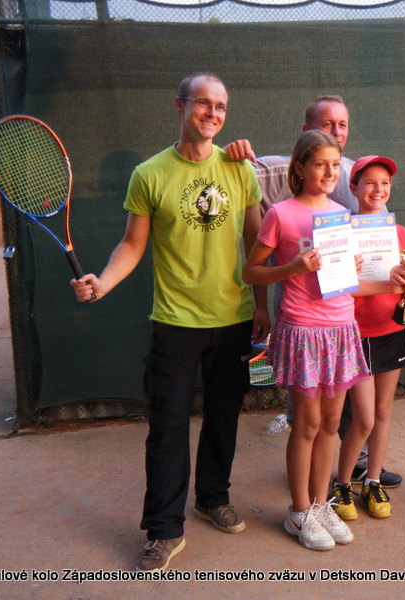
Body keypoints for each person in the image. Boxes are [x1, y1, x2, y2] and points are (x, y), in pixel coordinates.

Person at [70, 73, 270, 571]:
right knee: (167, 428)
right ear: (179, 106)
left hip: (234, 319)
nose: (213, 113)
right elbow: (132, 244)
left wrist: (262, 306)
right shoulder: (149, 174)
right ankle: (164, 529)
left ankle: (212, 498)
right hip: (175, 323)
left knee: (224, 418)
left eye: (220, 106)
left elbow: (257, 244)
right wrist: (104, 283)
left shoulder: (239, 168)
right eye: (203, 103)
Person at [226, 95, 403, 489]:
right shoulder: (279, 204)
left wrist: (387, 280)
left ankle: (326, 496)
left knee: (331, 422)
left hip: (342, 327)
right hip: (302, 326)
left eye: (334, 164)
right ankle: (302, 502)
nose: (329, 170)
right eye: (320, 162)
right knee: (307, 423)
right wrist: (230, 153)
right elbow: (251, 269)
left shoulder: (343, 211)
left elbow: (346, 279)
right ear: (301, 163)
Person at [331, 156, 405, 521]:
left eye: (384, 183)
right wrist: (388, 284)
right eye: (369, 182)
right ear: (353, 188)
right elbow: (340, 287)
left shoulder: (400, 234)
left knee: (383, 412)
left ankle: (372, 481)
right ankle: (341, 484)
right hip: (355, 334)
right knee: (364, 419)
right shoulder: (341, 231)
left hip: (391, 330)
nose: (378, 190)